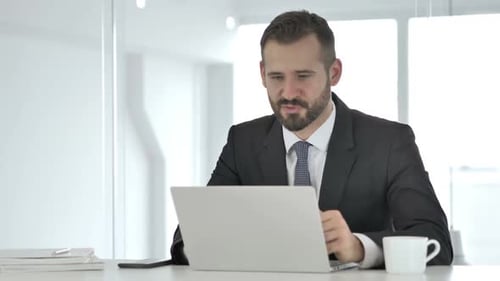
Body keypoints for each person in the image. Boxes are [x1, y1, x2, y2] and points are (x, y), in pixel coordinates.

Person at [170, 10, 453, 268]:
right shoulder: (243, 141)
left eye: (303, 76)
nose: (288, 92)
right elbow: (188, 239)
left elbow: (435, 241)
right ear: (261, 74)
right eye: (277, 77)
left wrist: (358, 247)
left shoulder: (389, 142)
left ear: (334, 72)